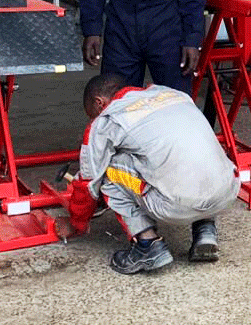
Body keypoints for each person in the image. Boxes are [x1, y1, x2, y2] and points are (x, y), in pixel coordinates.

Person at [57, 74, 238, 274]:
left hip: (177, 205)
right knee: (193, 158)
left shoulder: (107, 119)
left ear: (99, 103)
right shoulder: (174, 95)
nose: (92, 120)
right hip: (227, 190)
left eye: (91, 114)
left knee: (107, 171)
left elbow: (88, 183)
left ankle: (147, 244)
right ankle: (205, 231)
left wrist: (77, 223)